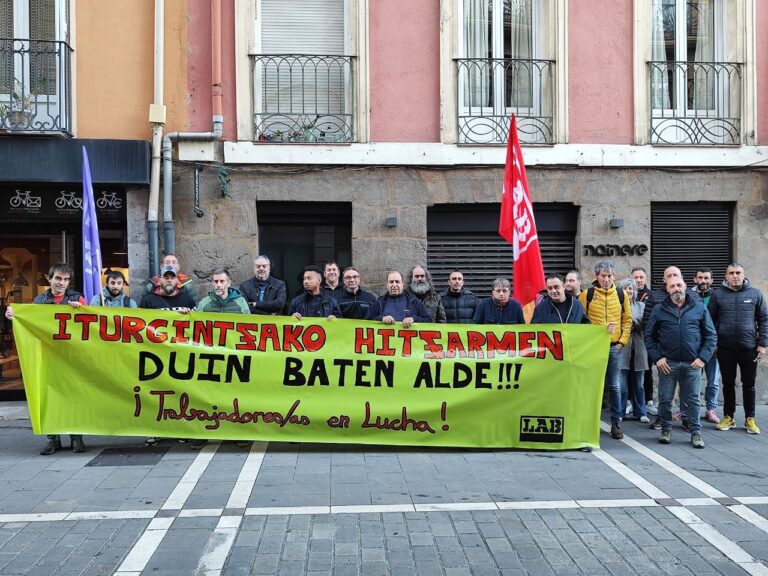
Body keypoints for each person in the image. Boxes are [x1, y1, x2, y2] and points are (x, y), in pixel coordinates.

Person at [5, 262, 88, 455]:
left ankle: (77, 438)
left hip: (72, 359)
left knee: (74, 398)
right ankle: (53, 439)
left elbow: (91, 325)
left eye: (66, 279)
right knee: (50, 398)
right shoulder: (39, 302)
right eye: (58, 278)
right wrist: (14, 316)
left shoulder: (78, 299)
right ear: (49, 279)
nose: (62, 283)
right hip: (48, 358)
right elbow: (29, 324)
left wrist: (82, 310)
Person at [645, 276, 716, 448]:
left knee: (692, 400)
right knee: (665, 398)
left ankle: (696, 433)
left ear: (685, 286)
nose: (676, 288)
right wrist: (658, 358)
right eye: (672, 286)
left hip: (693, 363)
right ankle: (666, 429)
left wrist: (702, 358)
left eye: (679, 285)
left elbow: (711, 336)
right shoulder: (658, 309)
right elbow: (649, 337)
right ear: (667, 289)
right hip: (668, 363)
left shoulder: (698, 308)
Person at [191, 269, 250, 450]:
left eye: (221, 281)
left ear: (229, 283)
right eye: (215, 281)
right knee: (206, 396)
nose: (218, 285)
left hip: (233, 359)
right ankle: (201, 434)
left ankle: (237, 433)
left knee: (234, 397)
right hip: (209, 359)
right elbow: (193, 326)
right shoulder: (204, 304)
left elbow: (249, 329)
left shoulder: (240, 303)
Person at [709, 263, 768, 434]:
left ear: (743, 275)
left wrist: (762, 345)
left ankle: (750, 418)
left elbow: (764, 320)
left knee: (749, 384)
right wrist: (713, 344)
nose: (735, 276)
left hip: (749, 348)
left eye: (738, 273)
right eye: (731, 273)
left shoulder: (755, 294)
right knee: (727, 384)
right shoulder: (717, 295)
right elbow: (709, 322)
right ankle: (728, 417)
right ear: (726, 276)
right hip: (725, 348)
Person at [140, 264, 195, 446]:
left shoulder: (187, 299)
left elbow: (196, 326)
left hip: (179, 355)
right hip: (154, 355)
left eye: (172, 277)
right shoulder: (148, 301)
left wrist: (190, 315)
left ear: (177, 280)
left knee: (181, 391)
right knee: (154, 392)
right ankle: (154, 430)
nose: (169, 280)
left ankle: (180, 428)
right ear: (160, 280)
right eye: (166, 277)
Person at [578, 261, 632, 440]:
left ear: (614, 277)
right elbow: (581, 320)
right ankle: (589, 421)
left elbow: (627, 319)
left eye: (609, 276)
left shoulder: (621, 294)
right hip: (594, 348)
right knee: (592, 385)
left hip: (614, 347)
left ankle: (616, 422)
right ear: (597, 277)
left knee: (615, 385)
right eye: (603, 276)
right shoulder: (588, 294)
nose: (606, 279)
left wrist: (622, 342)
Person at [616, 278, 649, 424]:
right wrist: (631, 321)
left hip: (639, 349)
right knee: (621, 385)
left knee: (639, 384)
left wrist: (628, 321)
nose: (629, 291)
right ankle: (620, 412)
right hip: (622, 350)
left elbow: (644, 322)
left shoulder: (641, 306)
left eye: (631, 289)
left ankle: (640, 412)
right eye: (626, 288)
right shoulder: (616, 307)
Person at [690, 267, 720, 424]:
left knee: (713, 380)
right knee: (691, 380)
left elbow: (722, 321)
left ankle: (711, 409)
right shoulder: (689, 295)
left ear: (711, 280)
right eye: (700, 278)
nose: (703, 281)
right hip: (694, 346)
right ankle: (687, 410)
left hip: (713, 347)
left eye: (706, 278)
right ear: (695, 279)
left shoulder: (718, 296)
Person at [366, 271, 431, 327]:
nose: (394, 285)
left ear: (402, 284)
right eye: (391, 282)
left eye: (397, 282)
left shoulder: (413, 301)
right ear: (387, 285)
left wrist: (413, 319)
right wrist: (381, 319)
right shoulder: (379, 302)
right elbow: (366, 322)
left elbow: (428, 320)